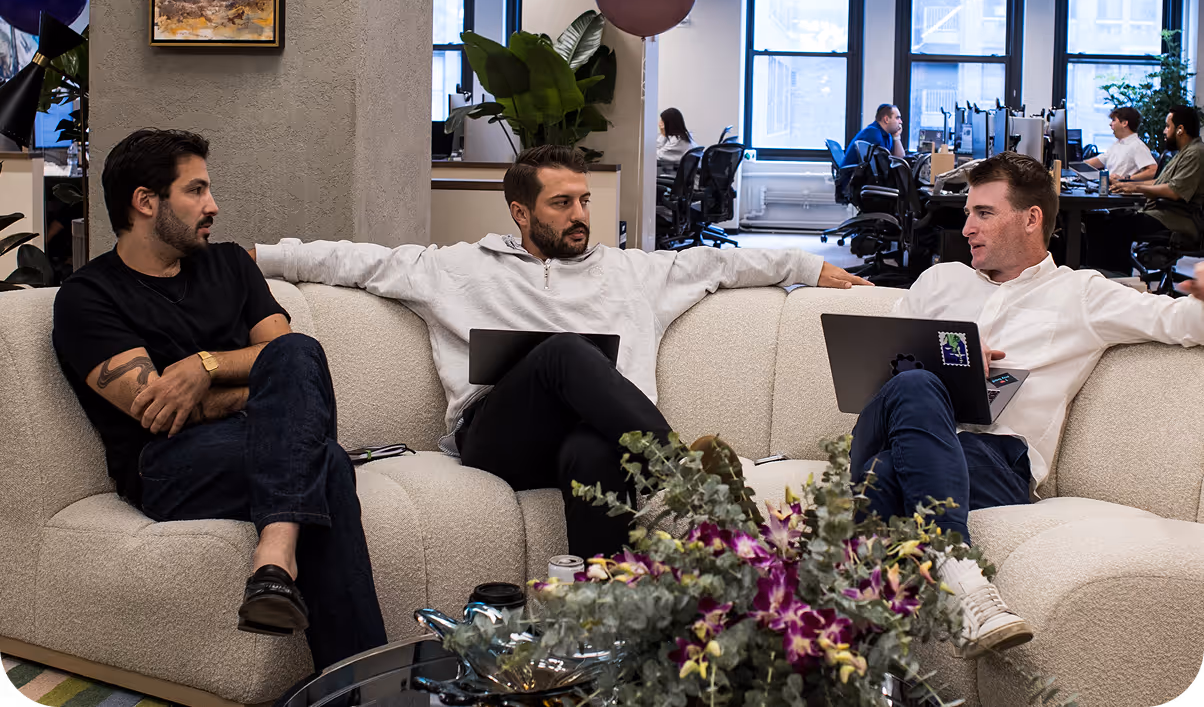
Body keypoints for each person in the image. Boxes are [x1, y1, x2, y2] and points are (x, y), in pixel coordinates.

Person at [252, 144, 870, 559]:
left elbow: (723, 263)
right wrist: (254, 257)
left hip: (601, 440)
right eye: (561, 204)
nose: (580, 216)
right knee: (566, 353)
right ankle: (684, 474)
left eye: (584, 201)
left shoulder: (633, 272)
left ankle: (607, 612)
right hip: (498, 438)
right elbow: (351, 259)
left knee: (593, 447)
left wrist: (812, 266)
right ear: (521, 212)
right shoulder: (455, 268)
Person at [51, 129, 386, 671]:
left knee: (301, 353)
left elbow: (288, 356)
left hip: (262, 439)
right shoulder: (88, 297)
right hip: (169, 464)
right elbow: (161, 412)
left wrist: (204, 367)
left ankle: (275, 563)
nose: (213, 206)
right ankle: (366, 686)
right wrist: (260, 388)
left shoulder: (230, 263)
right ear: (145, 202)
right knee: (322, 460)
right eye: (196, 191)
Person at [848, 151, 1204, 658]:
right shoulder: (938, 282)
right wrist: (952, 368)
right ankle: (965, 583)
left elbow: (1183, 325)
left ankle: (848, 650)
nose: (967, 226)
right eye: (968, 212)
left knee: (886, 474)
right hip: (891, 426)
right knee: (915, 384)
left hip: (996, 462)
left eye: (984, 213)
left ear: (1032, 218)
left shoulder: (1083, 295)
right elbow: (875, 381)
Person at [1085, 105, 1204, 274]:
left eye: (1167, 126)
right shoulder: (1184, 152)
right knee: (1099, 220)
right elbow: (1159, 182)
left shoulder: (1196, 153)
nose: (1164, 131)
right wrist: (1127, 185)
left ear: (1180, 130)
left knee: (1114, 225)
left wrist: (1135, 186)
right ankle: (1098, 276)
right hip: (1163, 214)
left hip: (1175, 220)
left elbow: (1174, 191)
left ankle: (1115, 280)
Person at [1083, 105, 1157, 183]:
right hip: (1111, 189)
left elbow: (1152, 170)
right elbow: (1100, 161)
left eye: (1114, 120)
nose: (1110, 124)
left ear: (1124, 123)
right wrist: (1074, 166)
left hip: (1123, 193)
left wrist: (1126, 179)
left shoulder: (1137, 146)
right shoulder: (1117, 144)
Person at [839, 104, 906, 170]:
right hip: (851, 178)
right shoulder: (873, 134)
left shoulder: (887, 135)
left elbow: (899, 160)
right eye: (897, 118)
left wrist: (896, 137)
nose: (901, 122)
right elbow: (884, 168)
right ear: (886, 119)